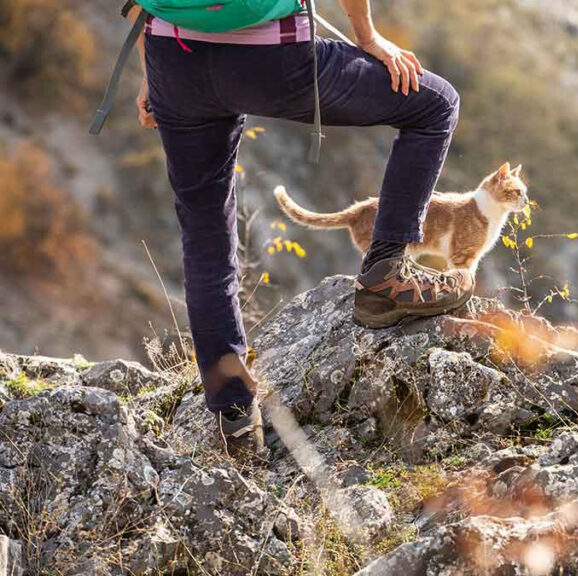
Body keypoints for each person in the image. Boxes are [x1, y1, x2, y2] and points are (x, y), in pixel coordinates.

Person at [130, 0, 473, 458]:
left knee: (204, 236)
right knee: (435, 104)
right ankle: (386, 275)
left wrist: (153, 70)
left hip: (174, 58)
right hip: (274, 62)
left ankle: (234, 419)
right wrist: (368, 39)